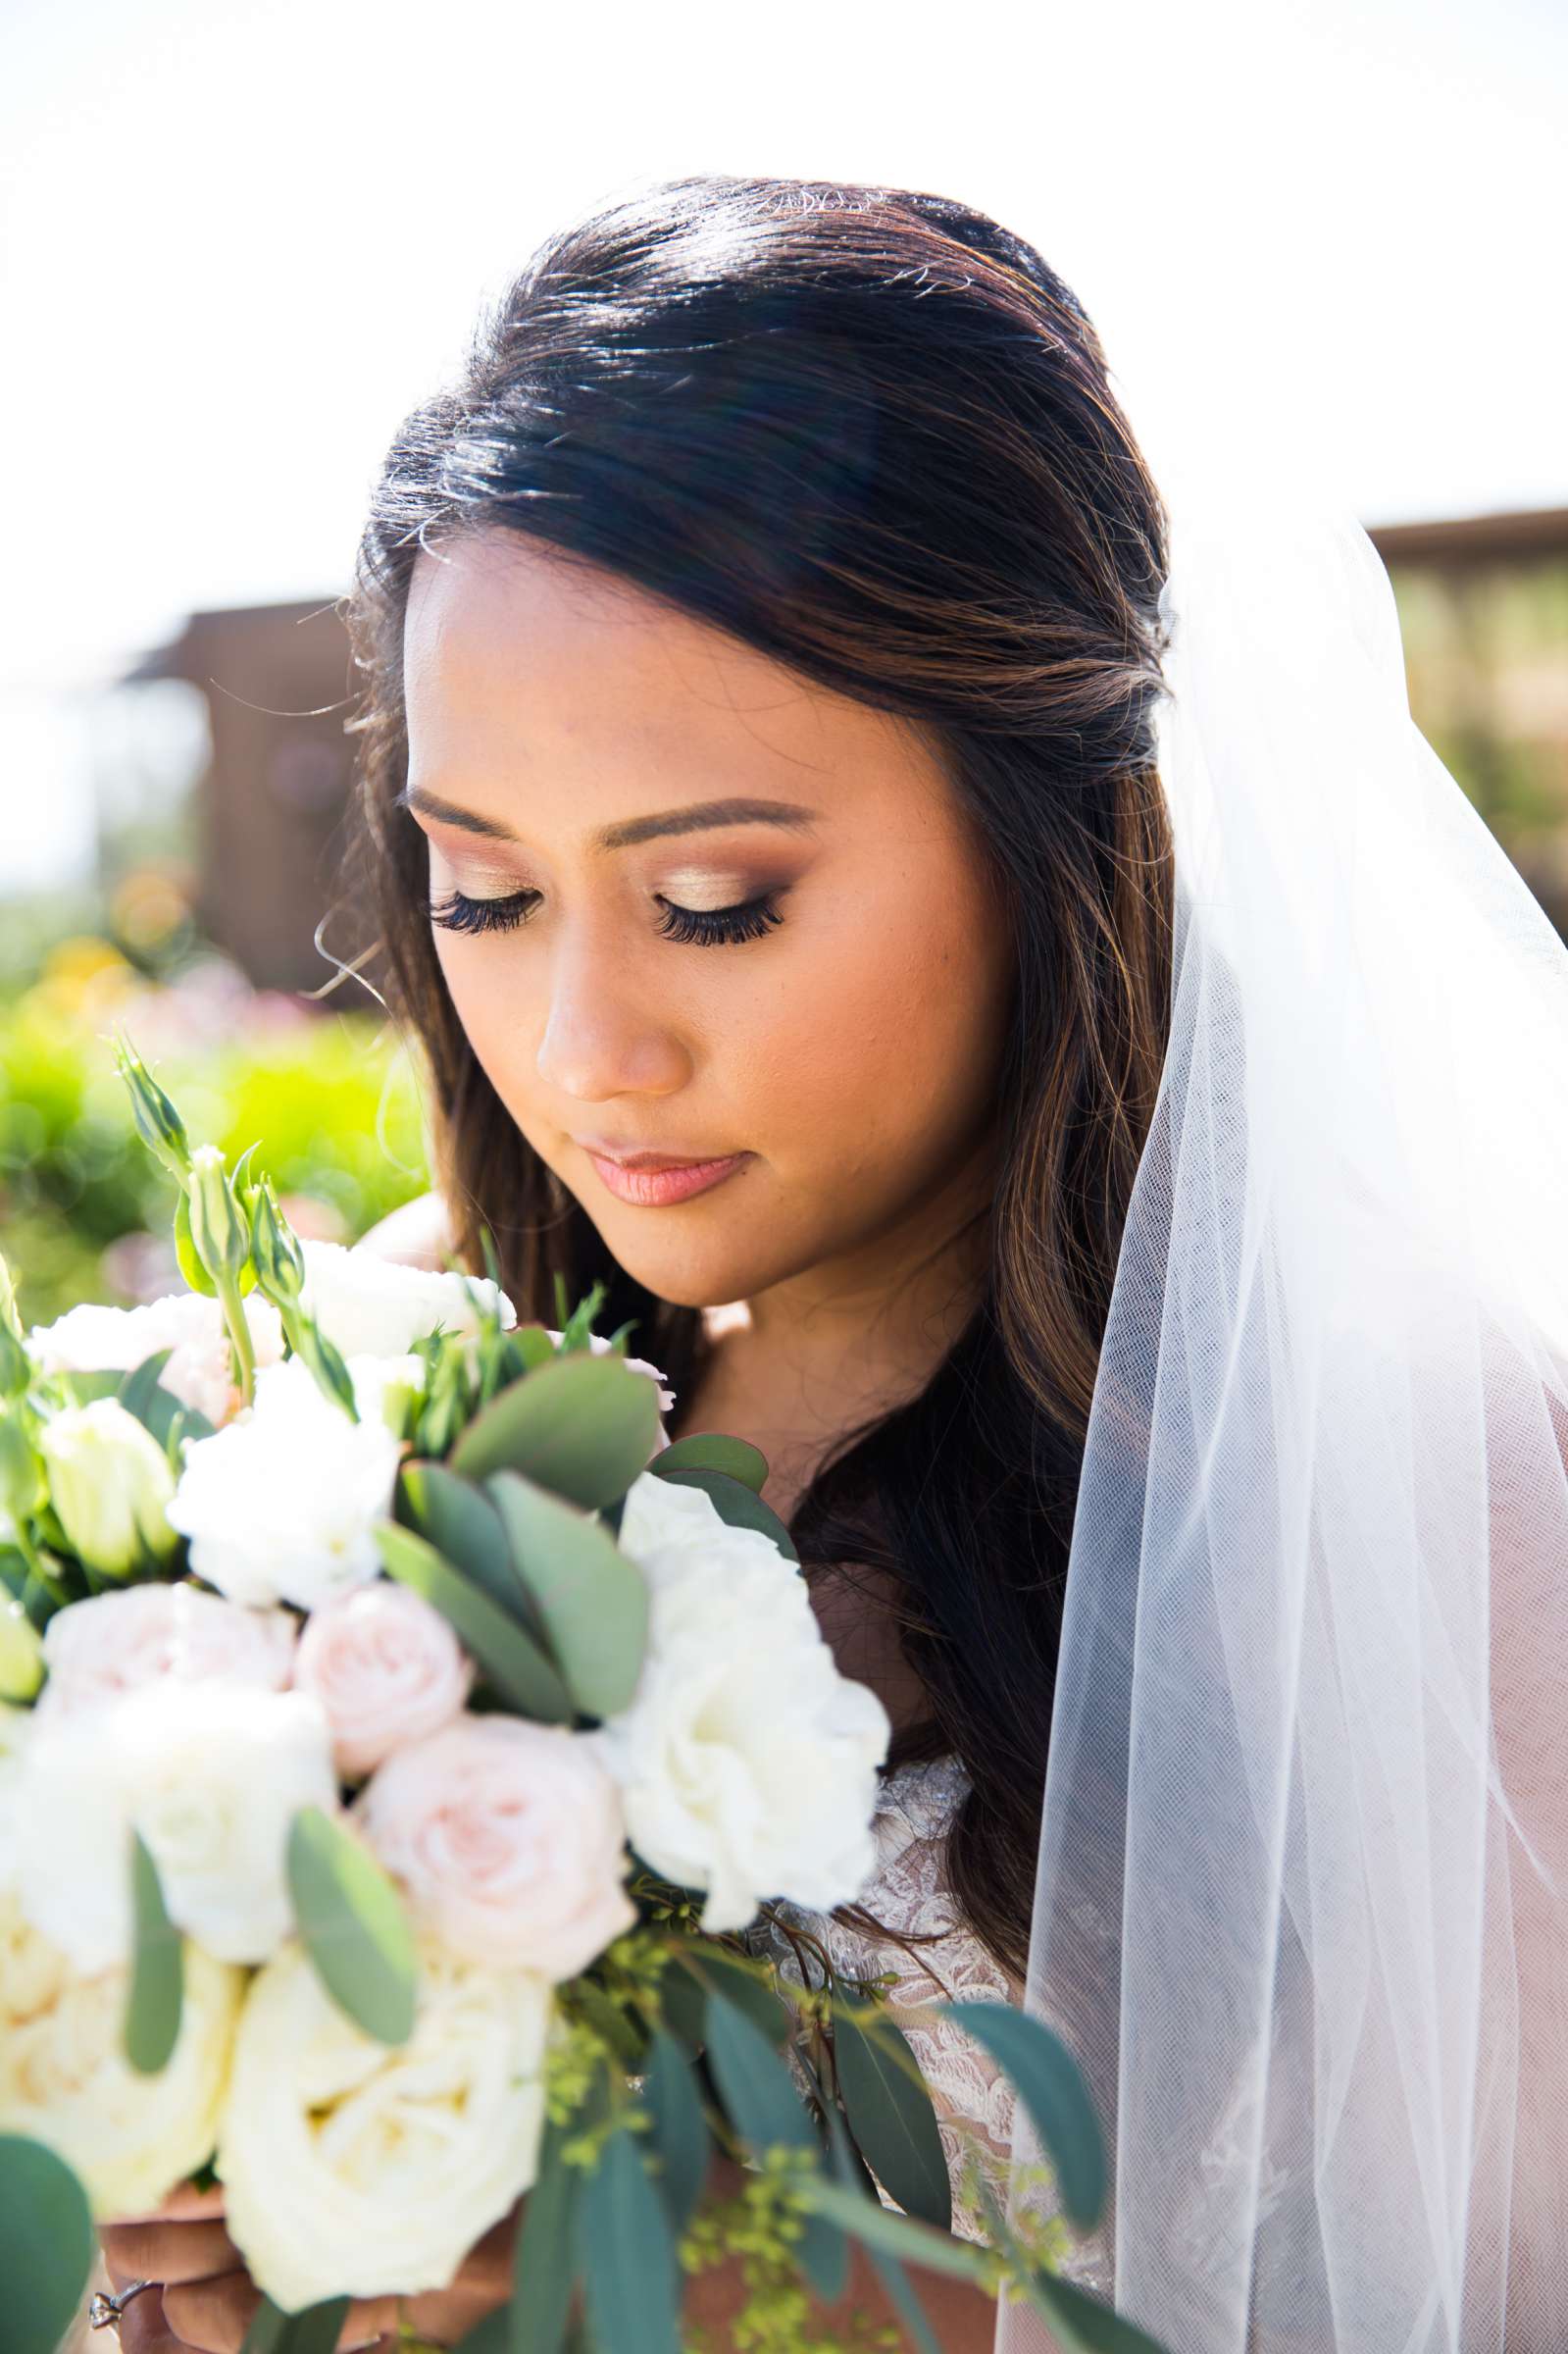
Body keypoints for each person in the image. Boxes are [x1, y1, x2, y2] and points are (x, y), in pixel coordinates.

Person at [98, 171, 1568, 2352]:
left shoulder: (1409, 1479)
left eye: (711, 901)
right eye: (486, 895)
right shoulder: (368, 1392)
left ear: (1049, 834)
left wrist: (760, 2296)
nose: (584, 1049)